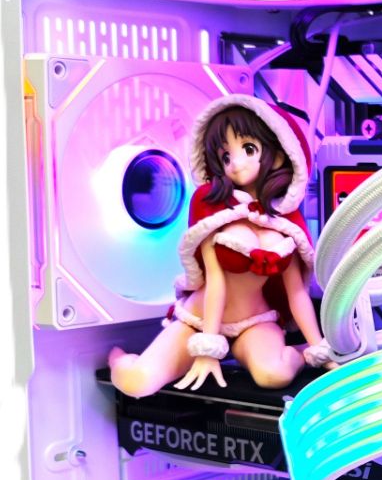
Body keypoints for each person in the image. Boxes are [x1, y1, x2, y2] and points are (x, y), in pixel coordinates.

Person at [109, 96, 337, 397]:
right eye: (226, 156)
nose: (236, 163)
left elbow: (296, 292)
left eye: (248, 149)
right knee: (136, 382)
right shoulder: (212, 207)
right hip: (200, 321)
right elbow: (216, 281)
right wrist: (207, 348)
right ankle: (117, 359)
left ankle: (299, 353)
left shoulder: (287, 221)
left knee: (275, 375)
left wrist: (321, 351)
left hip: (255, 323)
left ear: (279, 156)